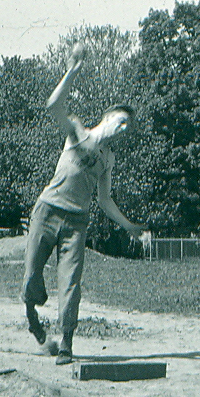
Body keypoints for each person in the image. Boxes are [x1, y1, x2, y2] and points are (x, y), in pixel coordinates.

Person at [21, 43, 148, 365]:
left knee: (71, 283)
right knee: (30, 279)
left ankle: (66, 342)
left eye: (129, 128)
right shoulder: (78, 131)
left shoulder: (109, 159)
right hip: (47, 211)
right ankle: (32, 316)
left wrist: (129, 226)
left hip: (76, 223)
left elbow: (105, 200)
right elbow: (53, 106)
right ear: (106, 118)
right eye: (121, 121)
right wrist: (73, 71)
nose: (123, 129)